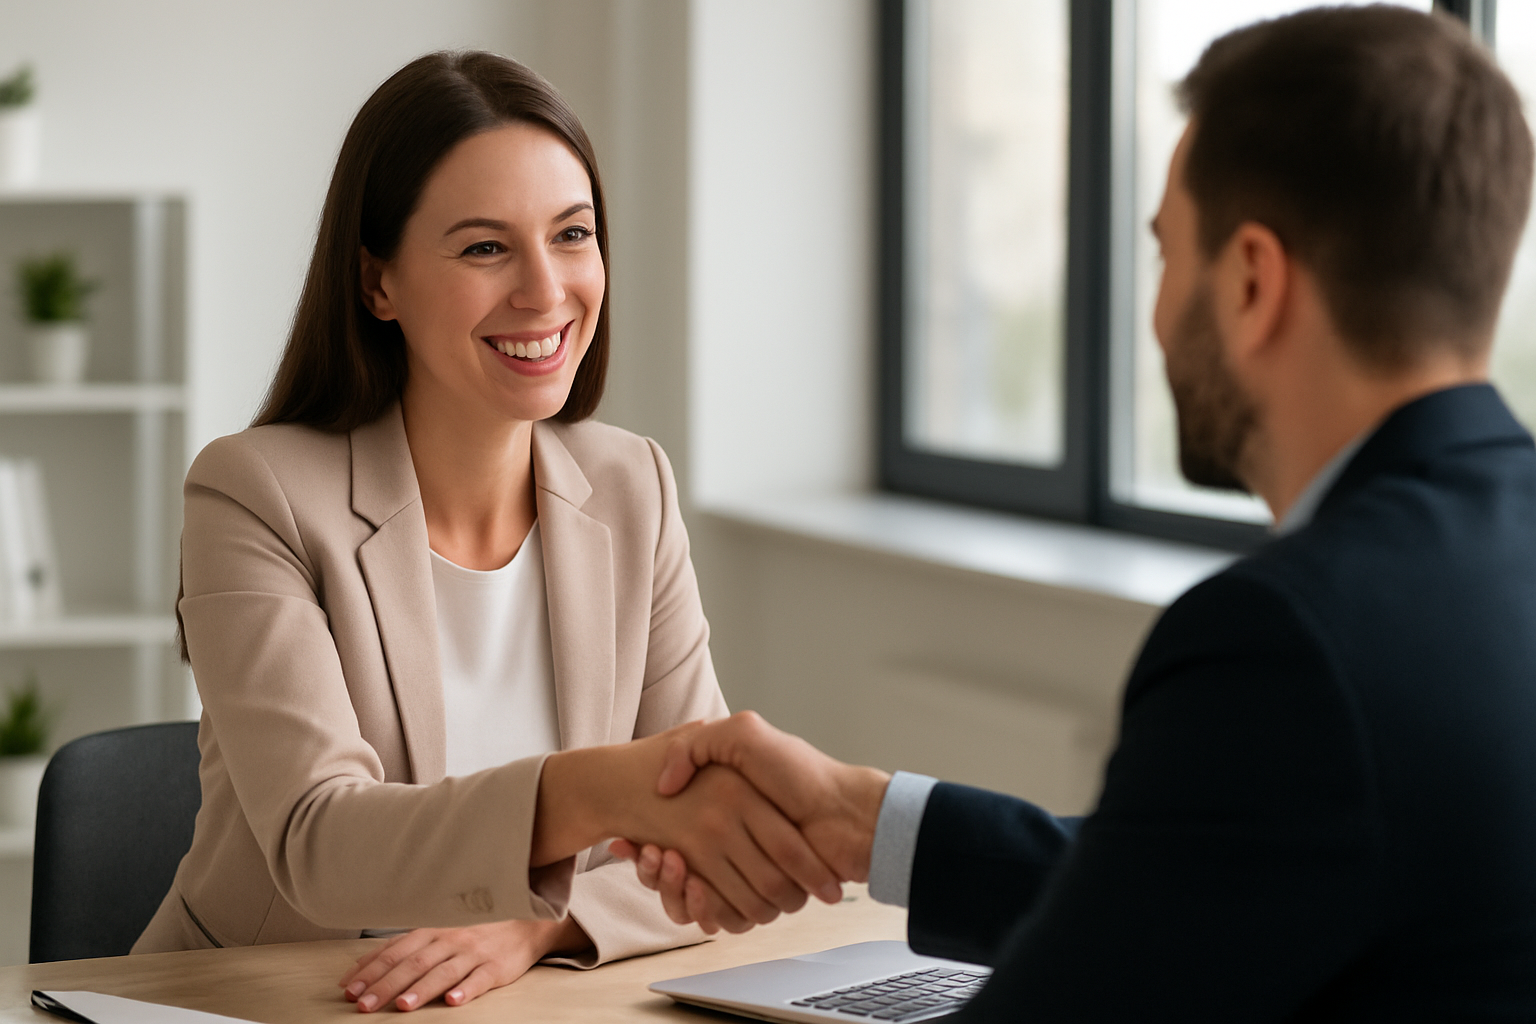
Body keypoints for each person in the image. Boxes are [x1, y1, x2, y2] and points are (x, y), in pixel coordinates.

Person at [617, 7, 1536, 1019]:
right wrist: (864, 819)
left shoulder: (1289, 642)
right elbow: (1194, 883)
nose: (1156, 310)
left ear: (1251, 282)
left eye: (1163, 254)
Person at [131, 51, 841, 1014]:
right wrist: (599, 793)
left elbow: (702, 839)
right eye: (484, 248)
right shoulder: (253, 492)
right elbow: (319, 841)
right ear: (378, 283)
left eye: (573, 234)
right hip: (264, 1000)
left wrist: (546, 918)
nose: (545, 291)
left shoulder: (633, 485)